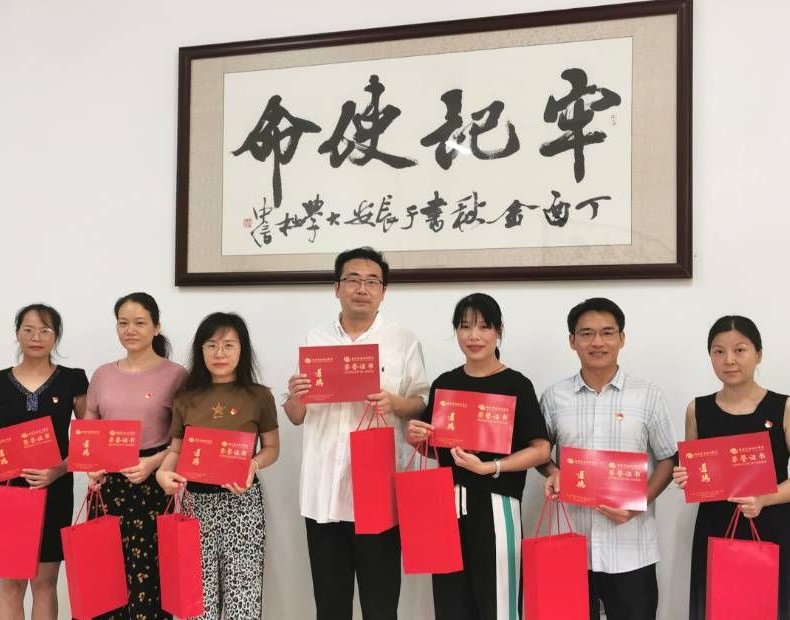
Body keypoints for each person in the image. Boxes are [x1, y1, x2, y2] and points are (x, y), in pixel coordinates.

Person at [283, 247, 429, 620]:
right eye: (352, 280)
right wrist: (296, 396)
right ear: (337, 288)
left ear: (383, 291)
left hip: (378, 492)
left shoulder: (403, 340)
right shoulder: (315, 339)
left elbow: (421, 403)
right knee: (330, 607)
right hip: (323, 492)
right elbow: (296, 416)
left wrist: (394, 402)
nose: (361, 289)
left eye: (371, 281)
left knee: (380, 606)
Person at [406, 293, 550, 620]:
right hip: (445, 507)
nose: (474, 336)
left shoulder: (516, 384)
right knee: (450, 604)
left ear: (499, 331)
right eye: (465, 326)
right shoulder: (445, 383)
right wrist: (415, 438)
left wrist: (491, 467)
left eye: (484, 327)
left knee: (498, 605)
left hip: (497, 505)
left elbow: (541, 449)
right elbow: (434, 448)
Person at [672, 315, 790, 619]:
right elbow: (698, 474)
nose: (729, 360)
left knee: (776, 608)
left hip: (776, 525)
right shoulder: (697, 410)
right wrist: (686, 476)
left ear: (758, 354)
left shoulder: (785, 407)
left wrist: (764, 498)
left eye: (740, 350)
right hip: (716, 527)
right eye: (719, 351)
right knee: (722, 607)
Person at [538, 297, 677, 620]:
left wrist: (638, 503)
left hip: (632, 549)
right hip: (571, 545)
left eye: (607, 332)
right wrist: (554, 471)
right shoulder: (554, 397)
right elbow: (539, 451)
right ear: (572, 341)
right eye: (586, 333)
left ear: (622, 338)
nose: (597, 342)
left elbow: (669, 459)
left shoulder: (648, 395)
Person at [155, 312, 279, 620]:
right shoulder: (186, 397)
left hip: (242, 503)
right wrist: (162, 472)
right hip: (194, 505)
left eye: (228, 345)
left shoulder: (259, 396)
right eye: (211, 345)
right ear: (201, 350)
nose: (219, 353)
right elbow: (177, 450)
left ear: (242, 349)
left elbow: (272, 448)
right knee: (197, 602)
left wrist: (252, 465)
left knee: (242, 598)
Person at [0, 303, 88, 620]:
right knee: (11, 584)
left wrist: (58, 470)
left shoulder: (74, 380)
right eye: (28, 330)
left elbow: (88, 440)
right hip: (9, 492)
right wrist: (10, 450)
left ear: (56, 336)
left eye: (45, 330)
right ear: (17, 334)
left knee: (45, 582)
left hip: (55, 489)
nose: (36, 337)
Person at [84, 292, 187, 620]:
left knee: (149, 575)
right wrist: (91, 466)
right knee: (105, 577)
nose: (130, 330)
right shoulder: (102, 374)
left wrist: (152, 464)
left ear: (157, 327)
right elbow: (89, 430)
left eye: (140, 323)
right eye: (123, 323)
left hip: (152, 485)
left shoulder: (176, 375)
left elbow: (184, 438)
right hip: (107, 488)